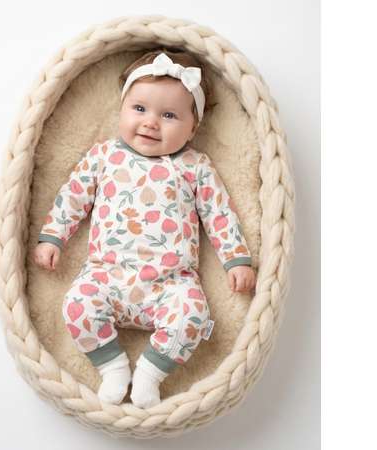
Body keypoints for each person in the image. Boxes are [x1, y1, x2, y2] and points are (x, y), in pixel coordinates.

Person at [33, 50, 256, 408]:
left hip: (171, 282)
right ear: (121, 110)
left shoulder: (194, 166)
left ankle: (150, 374)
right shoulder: (104, 155)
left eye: (169, 115)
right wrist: (54, 236)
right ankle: (112, 367)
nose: (151, 123)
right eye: (139, 109)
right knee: (77, 305)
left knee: (193, 317)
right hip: (107, 275)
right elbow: (73, 196)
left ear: (193, 127)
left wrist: (237, 259)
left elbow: (219, 213)